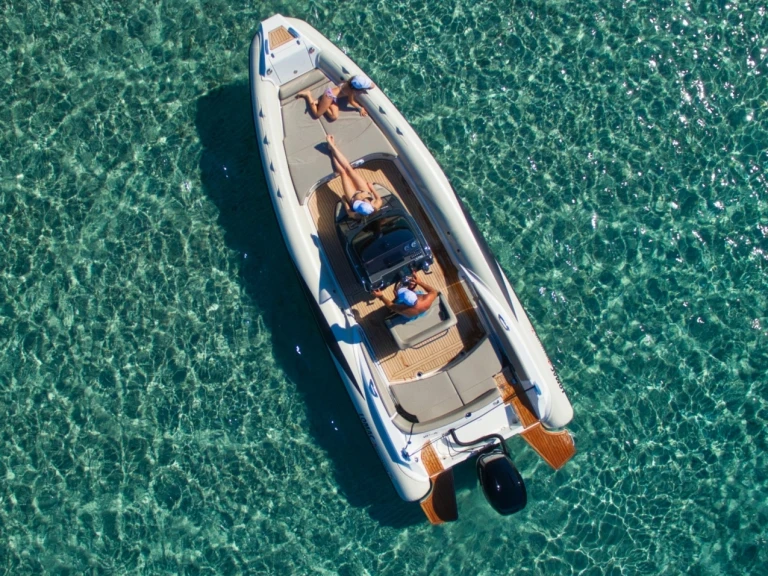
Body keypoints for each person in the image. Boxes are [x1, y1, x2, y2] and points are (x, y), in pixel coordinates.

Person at [326, 134, 382, 218]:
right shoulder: (376, 205)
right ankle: (332, 146)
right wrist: (372, 188)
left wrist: (344, 201)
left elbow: (349, 211)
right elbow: (379, 199)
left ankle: (332, 149)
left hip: (352, 197)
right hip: (365, 191)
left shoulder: (357, 215)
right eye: (362, 202)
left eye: (358, 205)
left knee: (343, 173)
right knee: (349, 169)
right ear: (370, 205)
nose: (360, 202)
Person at [295, 74, 375, 121]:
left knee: (334, 116)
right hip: (329, 96)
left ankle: (321, 102)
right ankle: (308, 95)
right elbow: (351, 101)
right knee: (317, 114)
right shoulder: (350, 91)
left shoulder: (349, 82)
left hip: (333, 97)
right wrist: (360, 108)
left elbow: (372, 85)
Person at [372, 274, 438, 319]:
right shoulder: (428, 298)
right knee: (420, 292)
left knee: (396, 304)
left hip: (412, 314)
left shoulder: (408, 311)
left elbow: (390, 305)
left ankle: (398, 299)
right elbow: (433, 291)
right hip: (422, 306)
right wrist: (419, 282)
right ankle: (409, 289)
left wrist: (381, 296)